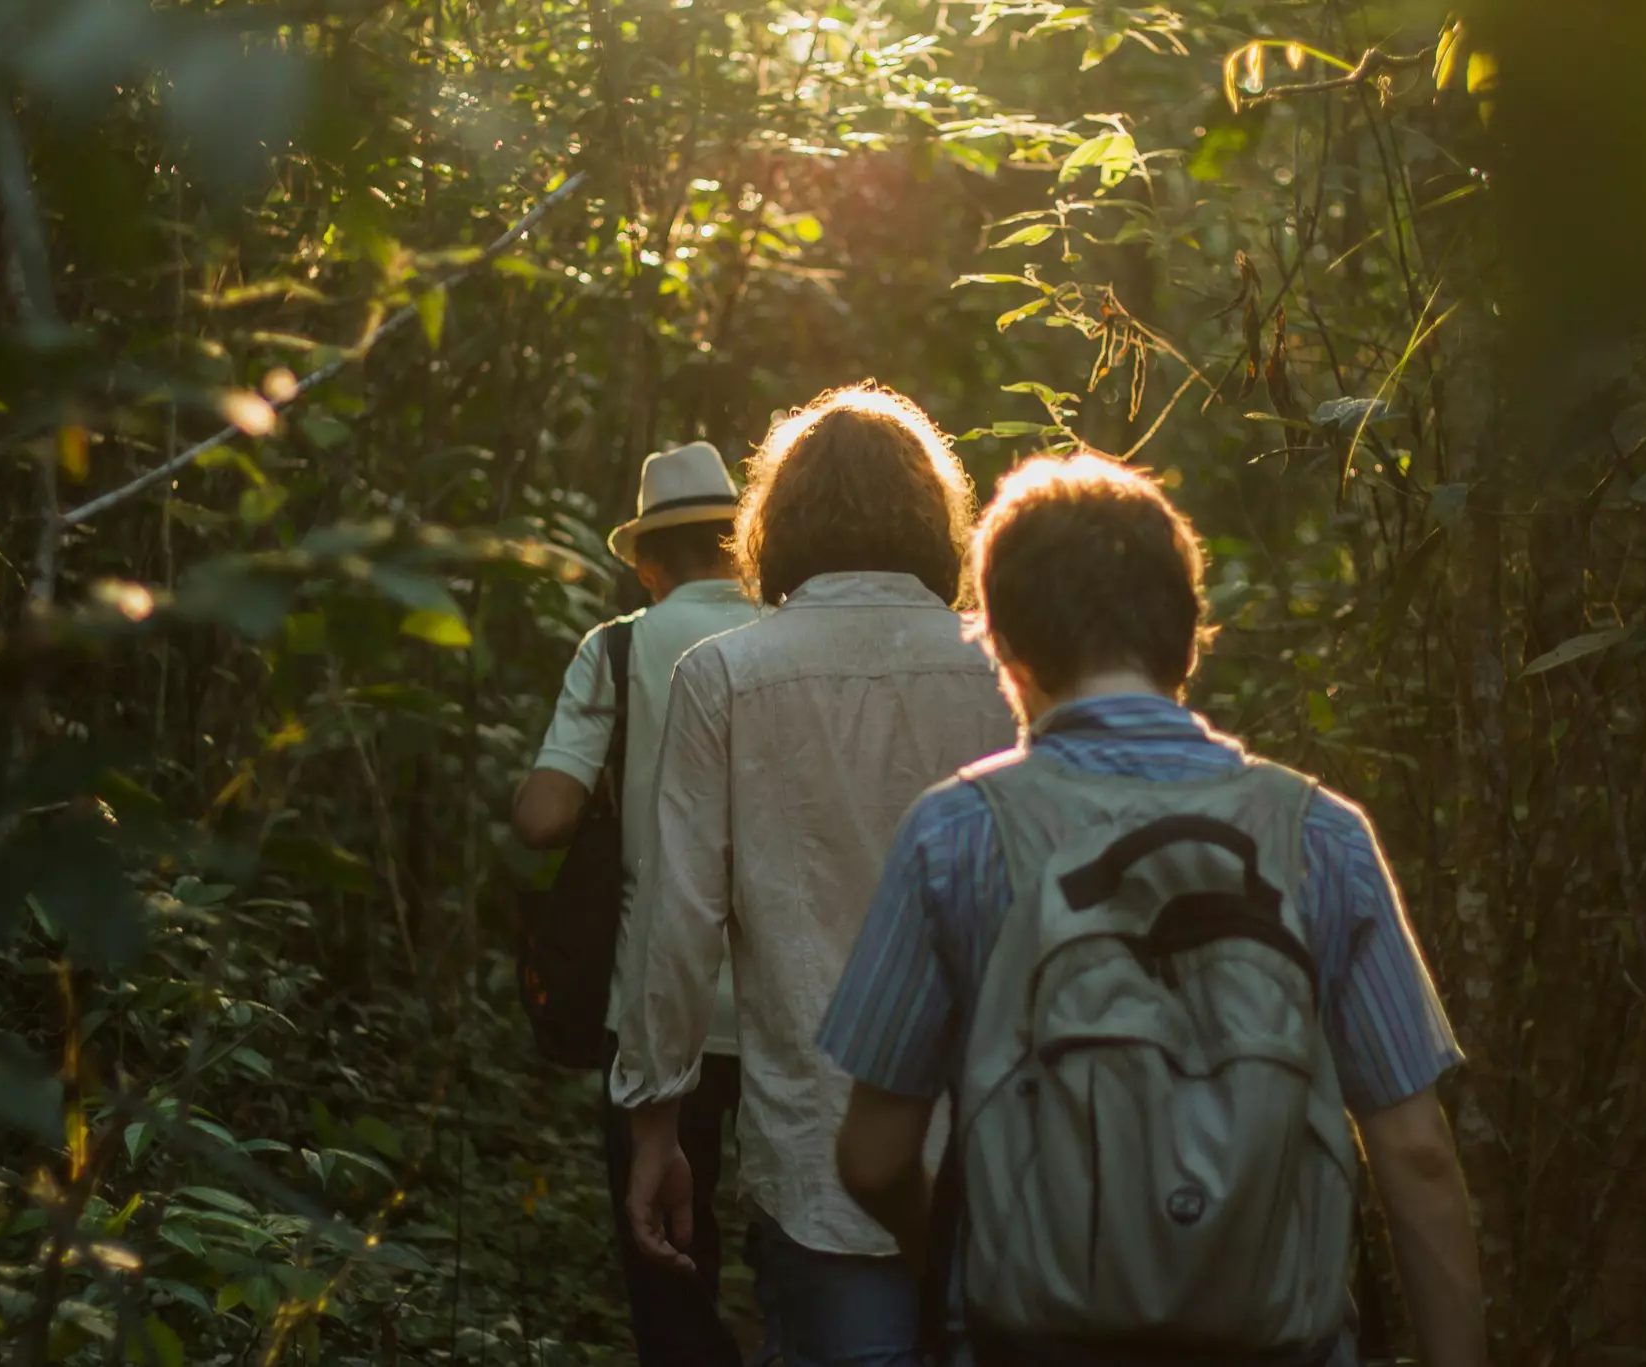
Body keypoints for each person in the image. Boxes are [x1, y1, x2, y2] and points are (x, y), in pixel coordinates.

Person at [818, 452, 1488, 1367]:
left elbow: (872, 1157)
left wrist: (961, 1257)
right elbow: (1416, 1154)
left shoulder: (957, 834)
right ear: (1189, 639)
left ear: (1005, 649)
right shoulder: (1321, 836)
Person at [610, 383, 1018, 1367]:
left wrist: (655, 1121)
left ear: (776, 523)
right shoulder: (1008, 669)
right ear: (935, 518)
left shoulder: (723, 675)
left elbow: (677, 920)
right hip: (1004, 1152)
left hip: (820, 1150)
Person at [514, 441, 763, 1367]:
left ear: (648, 561)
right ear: (741, 545)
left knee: (667, 1255)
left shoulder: (617, 647)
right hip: (786, 1005)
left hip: (654, 1006)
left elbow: (544, 817)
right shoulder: (790, 637)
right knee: (797, 1245)